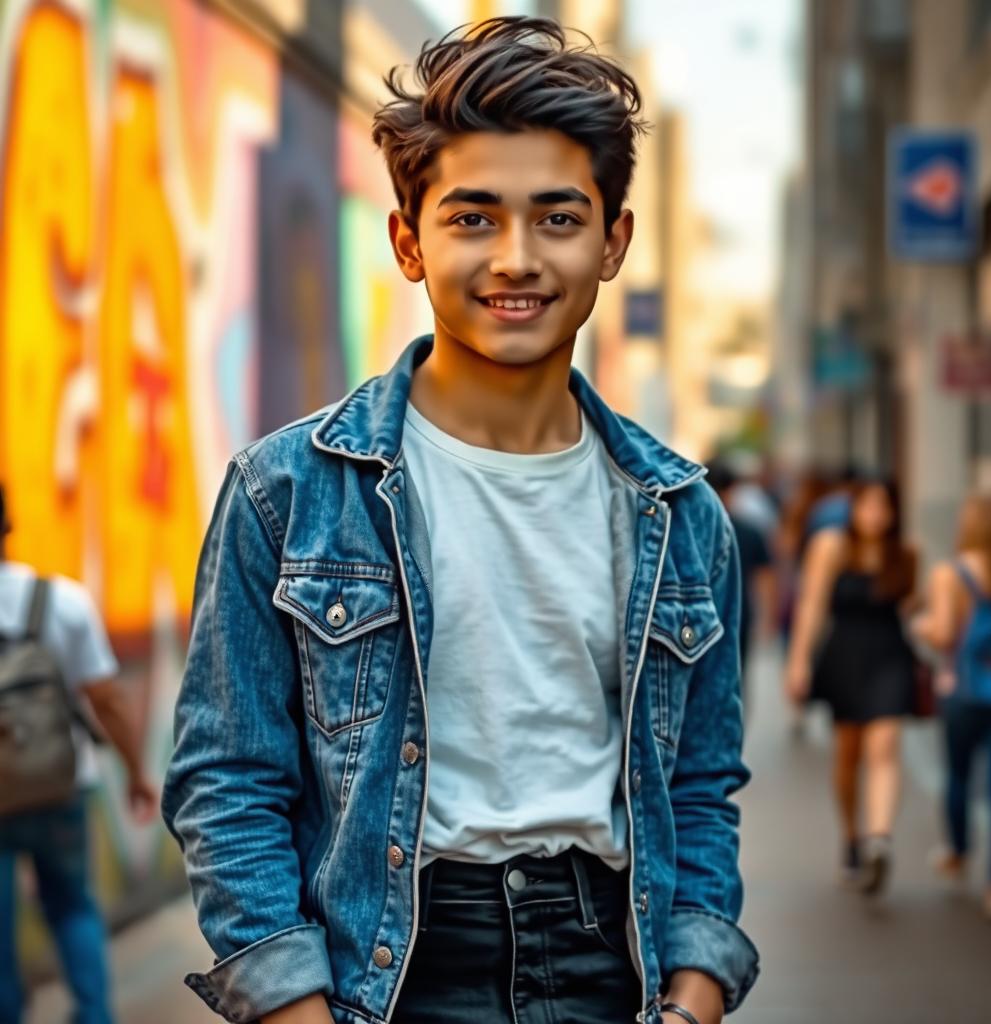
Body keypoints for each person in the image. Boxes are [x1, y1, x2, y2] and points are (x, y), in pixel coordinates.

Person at [162, 18, 758, 1024]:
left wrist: (693, 1000)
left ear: (613, 242)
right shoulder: (288, 490)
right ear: (409, 240)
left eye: (557, 219)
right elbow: (226, 780)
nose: (515, 259)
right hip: (387, 973)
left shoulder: (679, 514)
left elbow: (700, 785)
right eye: (473, 218)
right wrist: (291, 1007)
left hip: (610, 963)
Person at [0, 484, 159, 1024]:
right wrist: (137, 772)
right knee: (72, 907)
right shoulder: (60, 601)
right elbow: (108, 701)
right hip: (61, 784)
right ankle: (93, 1015)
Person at [784, 477, 917, 895]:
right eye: (867, 506)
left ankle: (879, 839)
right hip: (844, 656)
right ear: (854, 509)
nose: (875, 515)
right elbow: (811, 603)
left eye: (883, 507)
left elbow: (916, 608)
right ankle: (852, 836)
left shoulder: (907, 554)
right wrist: (799, 661)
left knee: (884, 745)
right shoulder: (831, 545)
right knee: (848, 755)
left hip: (890, 655)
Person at [913, 494, 991, 922]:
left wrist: (919, 625)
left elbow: (942, 635)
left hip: (962, 692)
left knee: (959, 776)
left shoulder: (952, 574)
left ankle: (958, 853)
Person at [705, 459, 775, 689]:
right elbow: (765, 579)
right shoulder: (748, 530)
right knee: (734, 678)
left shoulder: (692, 528)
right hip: (737, 613)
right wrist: (766, 619)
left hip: (702, 613)